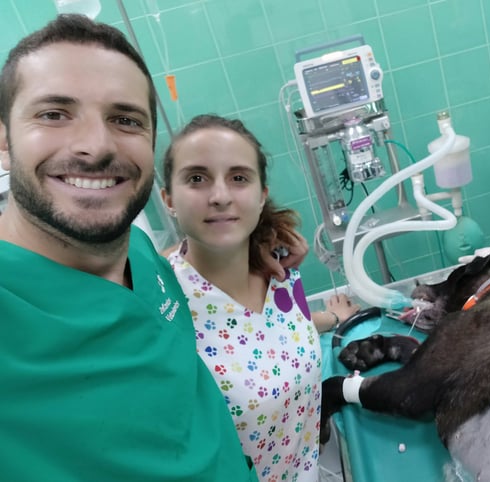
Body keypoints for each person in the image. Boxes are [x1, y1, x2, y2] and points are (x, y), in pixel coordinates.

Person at [0, 14, 256, 481]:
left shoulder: (139, 252)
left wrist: (255, 252)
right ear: (3, 139)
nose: (96, 146)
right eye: (54, 113)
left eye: (125, 120)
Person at [160, 114, 359, 482]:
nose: (220, 197)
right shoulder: (165, 304)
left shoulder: (277, 268)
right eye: (197, 178)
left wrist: (333, 319)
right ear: (168, 198)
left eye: (239, 178)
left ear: (262, 194)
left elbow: (265, 335)